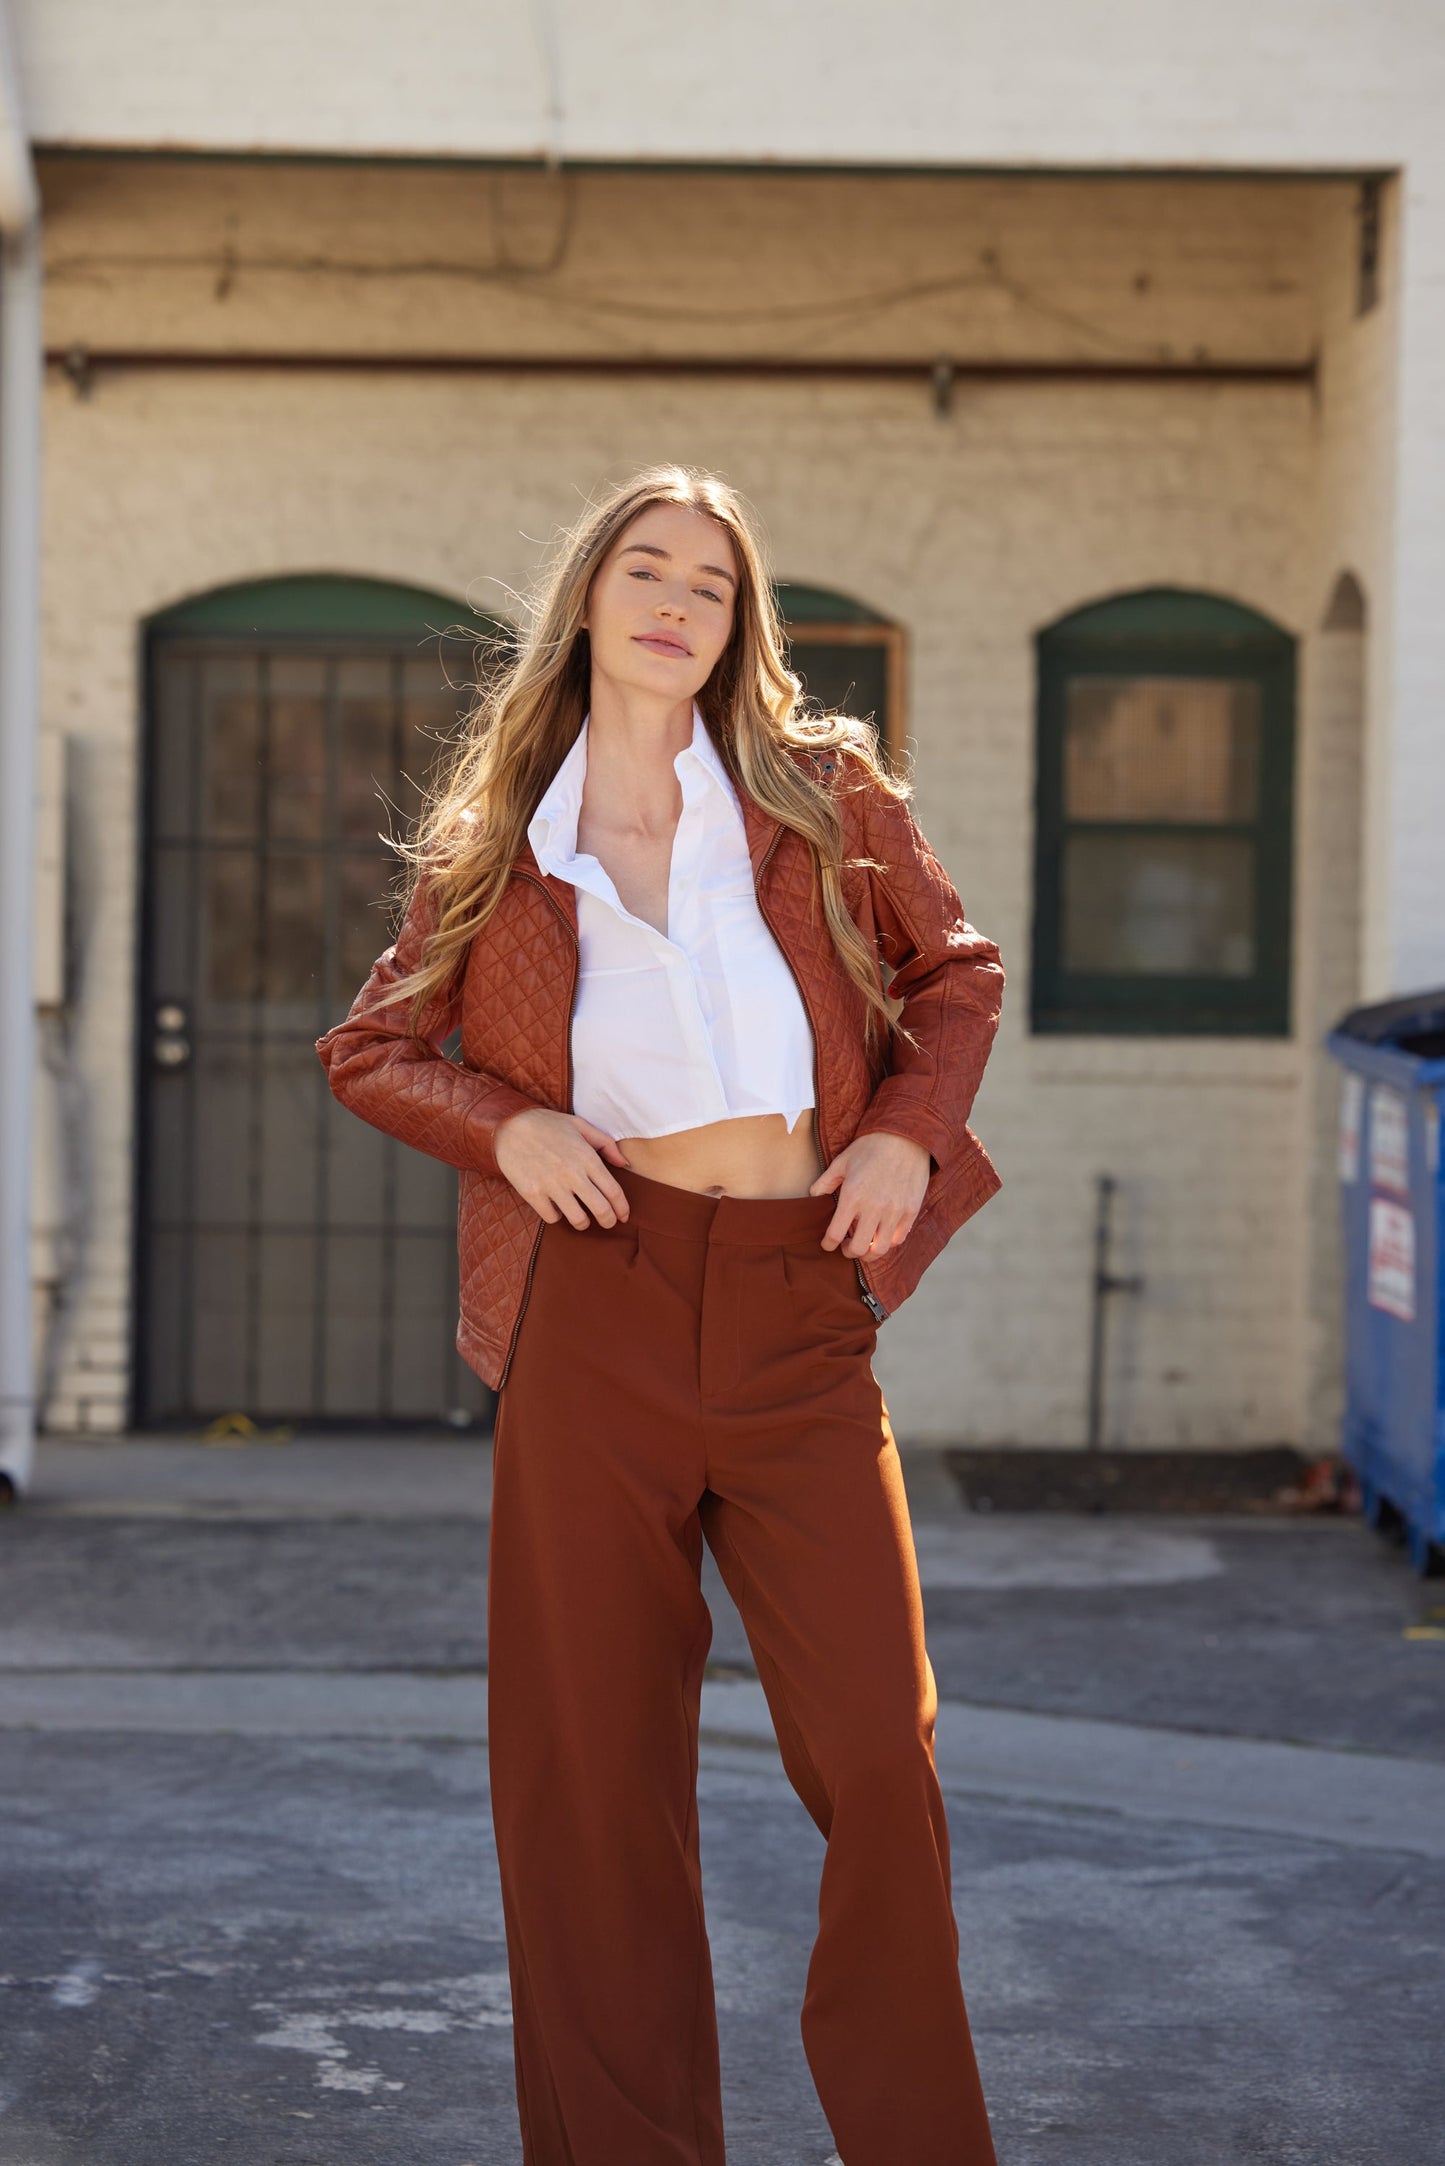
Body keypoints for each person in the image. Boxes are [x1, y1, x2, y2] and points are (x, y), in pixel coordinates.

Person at [316, 464, 1006, 2166]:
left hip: (791, 1305)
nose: (677, 600)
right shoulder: (504, 838)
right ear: (589, 597)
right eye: (647, 565)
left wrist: (910, 1138)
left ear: (734, 625)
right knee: (590, 1786)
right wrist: (509, 1125)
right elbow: (370, 1047)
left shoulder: (815, 791)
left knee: (876, 1750)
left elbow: (956, 971)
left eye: (711, 580)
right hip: (596, 1308)